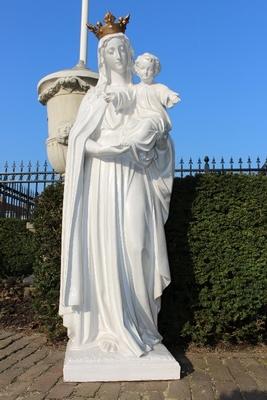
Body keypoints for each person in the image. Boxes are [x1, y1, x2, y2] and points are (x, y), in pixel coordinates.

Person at [59, 27, 178, 356]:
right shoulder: (95, 98)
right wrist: (104, 148)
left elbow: (163, 141)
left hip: (136, 175)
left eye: (124, 49)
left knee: (138, 244)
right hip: (104, 180)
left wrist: (156, 137)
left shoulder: (145, 93)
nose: (120, 55)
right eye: (112, 51)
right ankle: (111, 325)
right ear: (103, 58)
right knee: (108, 249)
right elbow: (80, 144)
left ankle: (143, 324)